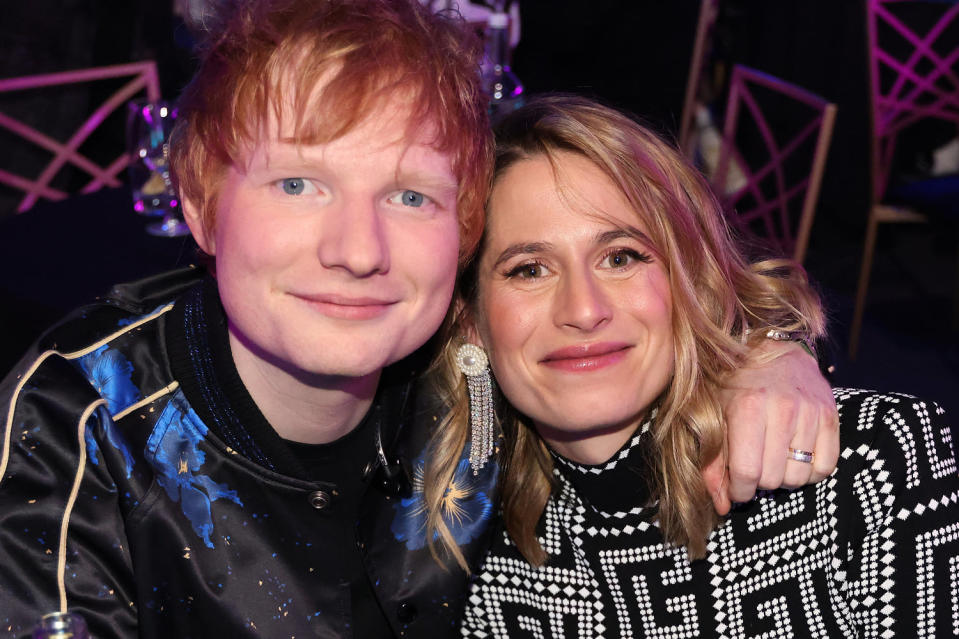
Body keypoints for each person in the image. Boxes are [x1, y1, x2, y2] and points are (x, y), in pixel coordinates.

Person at [0, 3, 836, 638]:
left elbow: (645, 311)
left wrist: (765, 352)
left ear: (462, 232)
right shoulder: (85, 417)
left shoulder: (468, 367)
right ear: (201, 204)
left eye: (409, 196)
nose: (358, 250)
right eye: (298, 183)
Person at [453, 95, 959, 638]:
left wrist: (779, 344)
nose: (583, 310)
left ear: (687, 279)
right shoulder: (451, 545)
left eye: (621, 257)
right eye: (529, 269)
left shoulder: (872, 466)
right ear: (471, 322)